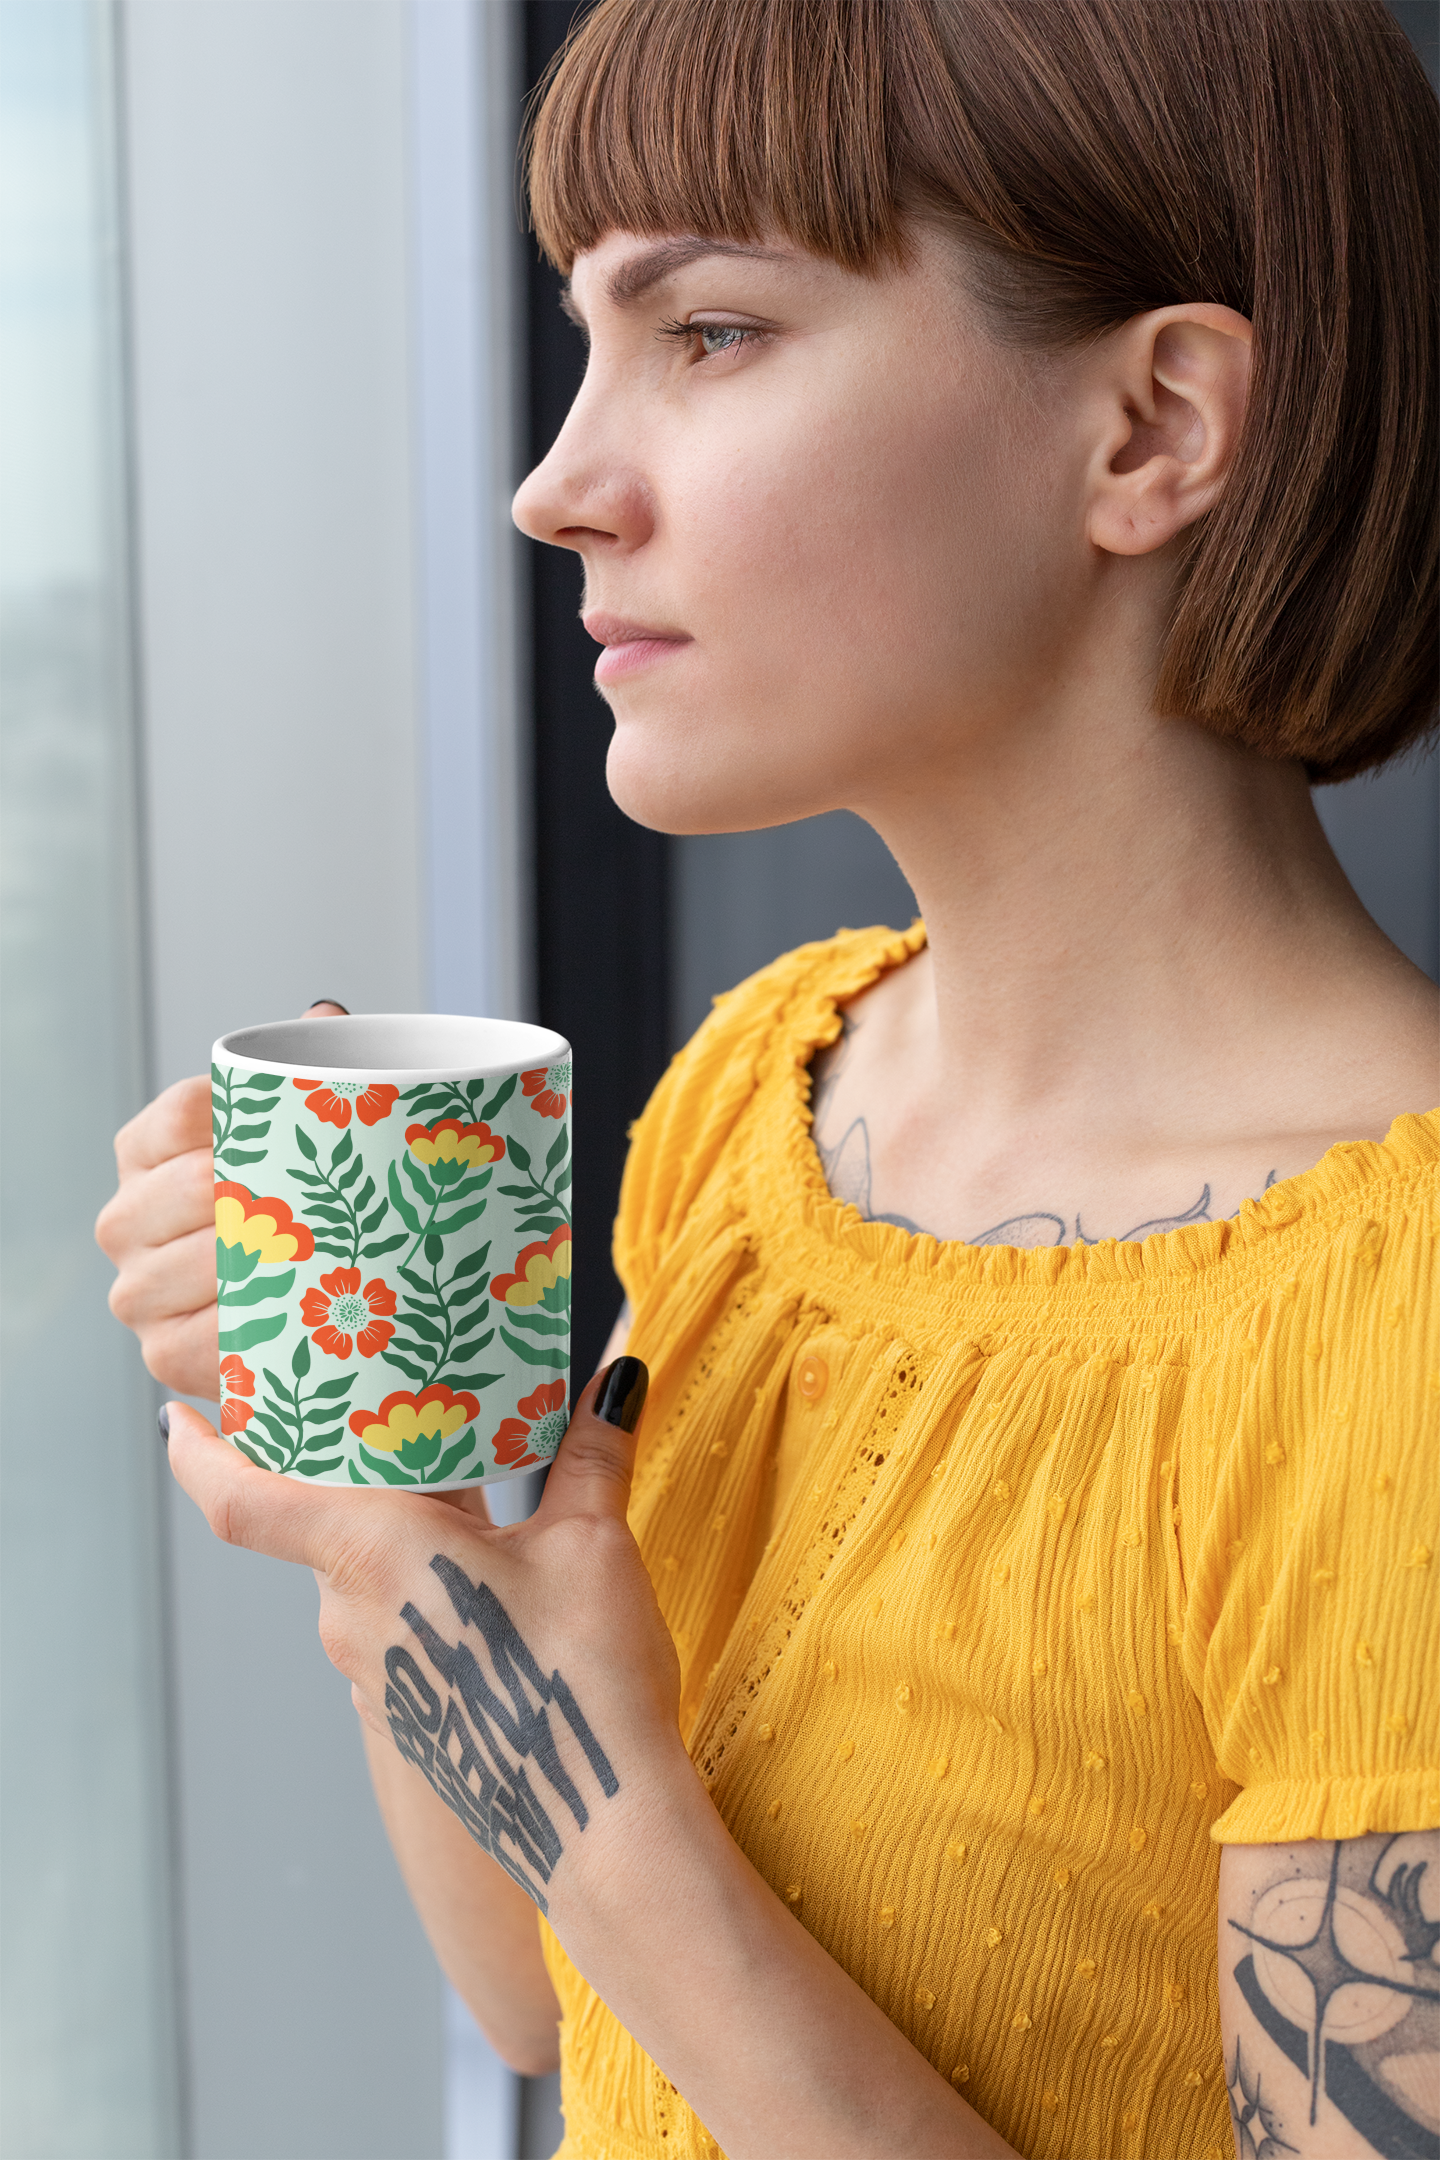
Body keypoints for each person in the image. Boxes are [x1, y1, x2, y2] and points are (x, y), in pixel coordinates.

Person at [97, 1, 1438, 2154]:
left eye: (708, 331)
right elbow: (534, 1993)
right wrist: (401, 1473)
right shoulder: (771, 1091)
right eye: (586, 339)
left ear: (1152, 427)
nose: (557, 485)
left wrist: (616, 1822)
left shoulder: (1400, 1335)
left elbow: (606, 1889)